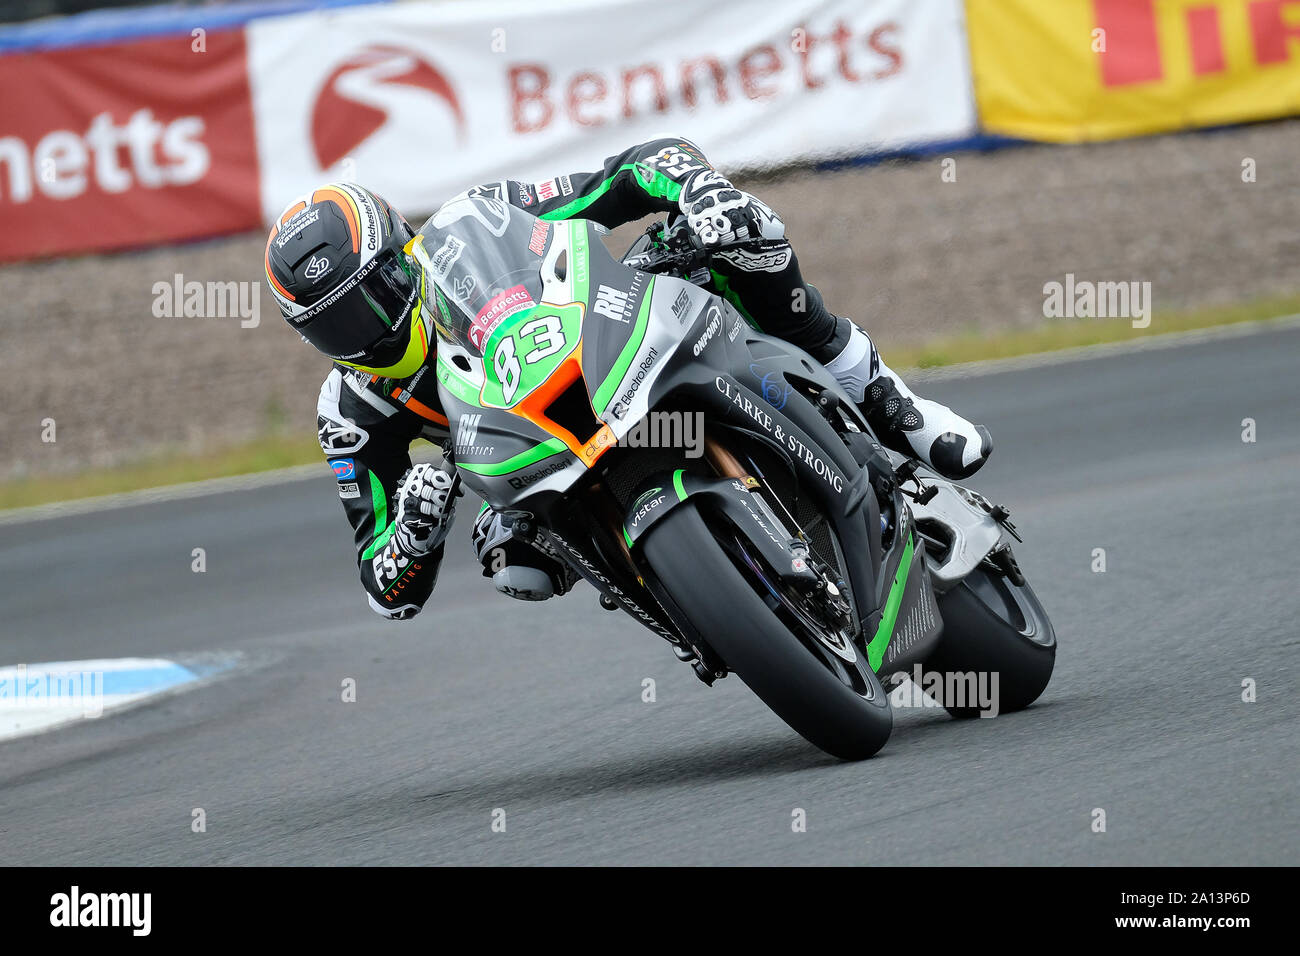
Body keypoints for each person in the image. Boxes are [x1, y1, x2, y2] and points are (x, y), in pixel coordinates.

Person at [264, 139, 991, 620]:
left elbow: (631, 172)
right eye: (338, 325)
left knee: (744, 240)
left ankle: (893, 405)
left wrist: (701, 191)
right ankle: (708, 606)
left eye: (376, 294)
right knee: (517, 566)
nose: (370, 328)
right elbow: (382, 587)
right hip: (529, 461)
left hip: (602, 339)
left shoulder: (474, 224)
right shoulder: (350, 408)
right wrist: (416, 535)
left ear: (404, 251)